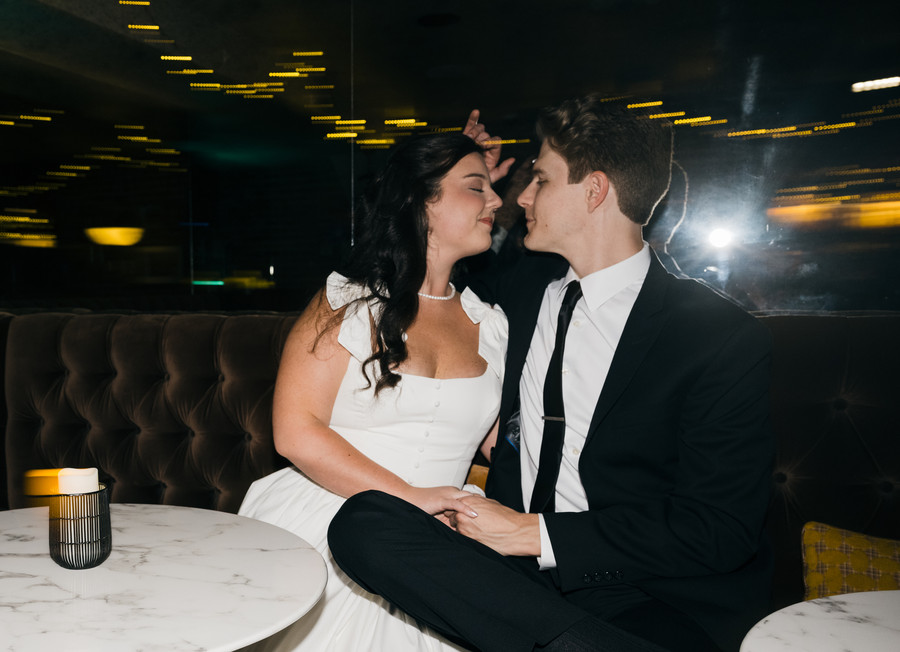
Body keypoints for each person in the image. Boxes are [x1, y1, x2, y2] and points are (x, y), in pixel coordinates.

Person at [328, 96, 774, 652]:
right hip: (513, 578)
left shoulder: (717, 336)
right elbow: (403, 272)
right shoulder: (513, 293)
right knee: (364, 524)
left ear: (595, 190)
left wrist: (533, 533)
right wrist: (463, 183)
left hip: (645, 591)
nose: (522, 196)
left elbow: (718, 529)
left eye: (539, 179)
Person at [238, 131, 511, 651]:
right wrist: (411, 501)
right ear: (421, 200)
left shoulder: (491, 324)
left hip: (445, 539)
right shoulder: (346, 302)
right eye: (477, 187)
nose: (496, 199)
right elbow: (295, 432)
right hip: (330, 520)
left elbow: (507, 448)